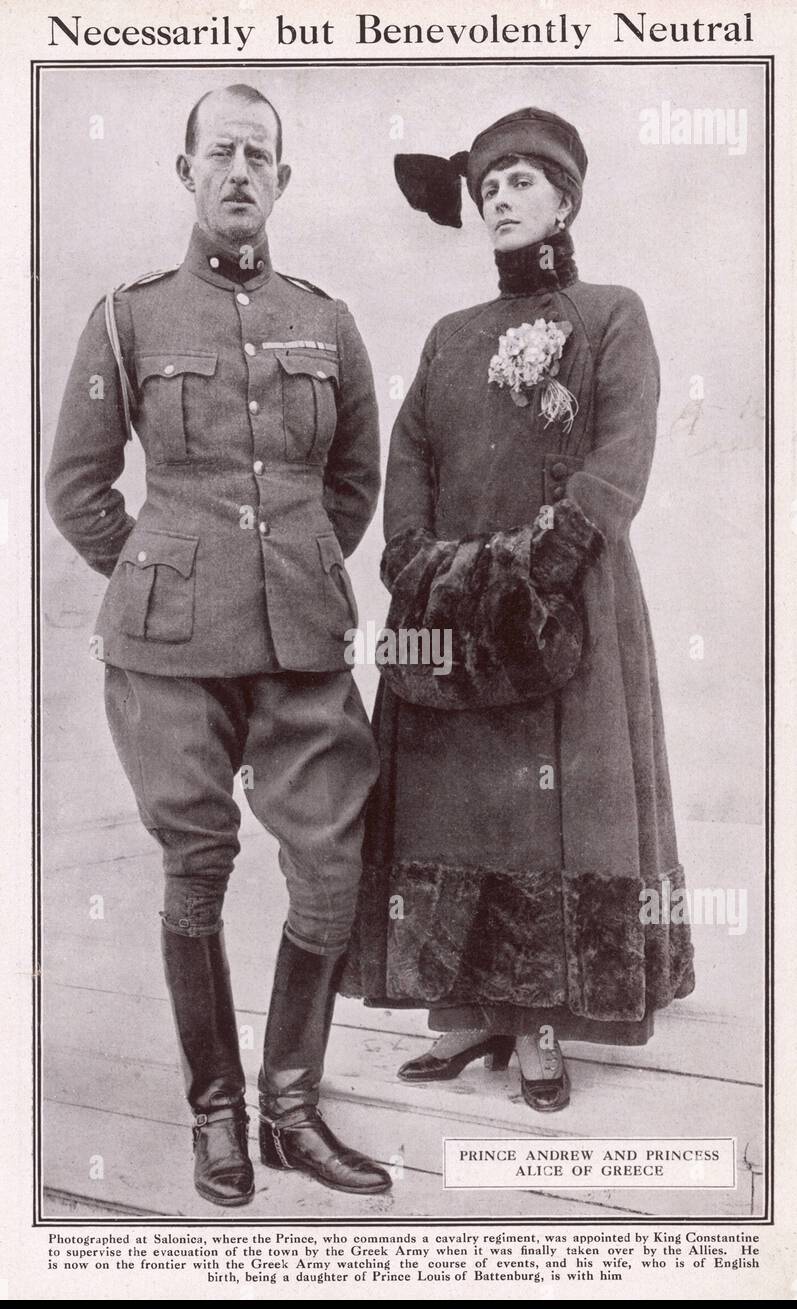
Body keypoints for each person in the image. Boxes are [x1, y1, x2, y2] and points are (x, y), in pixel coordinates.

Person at [46, 84, 391, 1203]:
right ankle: (216, 1116)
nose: (240, 171)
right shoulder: (126, 317)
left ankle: (291, 1106)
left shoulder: (327, 320)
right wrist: (164, 580)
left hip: (301, 641)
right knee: (195, 868)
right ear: (185, 172)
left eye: (261, 156)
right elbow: (78, 486)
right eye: (220, 153)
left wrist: (279, 573)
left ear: (282, 182)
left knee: (329, 868)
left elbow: (352, 485)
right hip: (167, 656)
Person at [341, 107, 695, 1112]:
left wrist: (542, 558)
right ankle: (471, 1014)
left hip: (564, 605)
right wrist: (416, 562)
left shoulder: (610, 314)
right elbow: (407, 458)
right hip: (448, 611)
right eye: (486, 186)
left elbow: (619, 455)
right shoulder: (450, 338)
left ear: (564, 201)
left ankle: (540, 1026)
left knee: (546, 812)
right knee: (456, 800)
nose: (498, 197)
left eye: (520, 184)